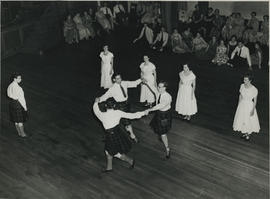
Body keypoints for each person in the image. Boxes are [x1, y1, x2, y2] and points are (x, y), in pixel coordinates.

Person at [93, 98, 149, 172]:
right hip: (118, 133)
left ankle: (129, 161)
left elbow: (95, 110)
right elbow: (132, 115)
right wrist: (143, 113)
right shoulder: (118, 113)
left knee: (112, 152)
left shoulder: (102, 115)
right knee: (110, 151)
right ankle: (111, 167)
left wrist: (96, 102)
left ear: (105, 105)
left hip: (110, 135)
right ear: (114, 105)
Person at [99, 73, 142, 143]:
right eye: (117, 78)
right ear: (114, 80)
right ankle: (133, 136)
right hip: (120, 106)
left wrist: (141, 79)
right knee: (126, 122)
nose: (120, 80)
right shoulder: (112, 89)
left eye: (120, 78)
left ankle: (111, 133)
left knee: (123, 121)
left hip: (127, 104)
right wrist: (99, 99)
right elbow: (105, 96)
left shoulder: (124, 83)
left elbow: (133, 83)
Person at [233, 73, 260, 141]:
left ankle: (248, 134)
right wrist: (239, 104)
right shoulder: (242, 86)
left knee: (248, 119)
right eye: (244, 79)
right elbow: (241, 95)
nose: (244, 81)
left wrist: (253, 110)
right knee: (242, 119)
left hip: (249, 106)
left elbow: (255, 100)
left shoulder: (254, 89)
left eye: (246, 80)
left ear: (250, 80)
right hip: (242, 105)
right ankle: (244, 132)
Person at [149, 81, 172, 159]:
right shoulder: (158, 92)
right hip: (158, 113)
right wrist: (146, 82)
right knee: (157, 126)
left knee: (163, 133)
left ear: (165, 88)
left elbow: (161, 105)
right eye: (158, 86)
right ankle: (160, 134)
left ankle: (167, 149)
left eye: (161, 87)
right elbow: (152, 88)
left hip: (164, 115)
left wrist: (150, 109)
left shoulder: (168, 97)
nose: (159, 88)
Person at [7, 73, 28, 137]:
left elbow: (8, 94)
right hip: (18, 104)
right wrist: (25, 107)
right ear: (15, 79)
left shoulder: (10, 85)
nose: (20, 79)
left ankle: (19, 133)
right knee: (20, 120)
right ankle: (23, 134)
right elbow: (22, 99)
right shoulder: (19, 88)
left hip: (12, 103)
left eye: (20, 78)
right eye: (19, 78)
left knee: (15, 119)